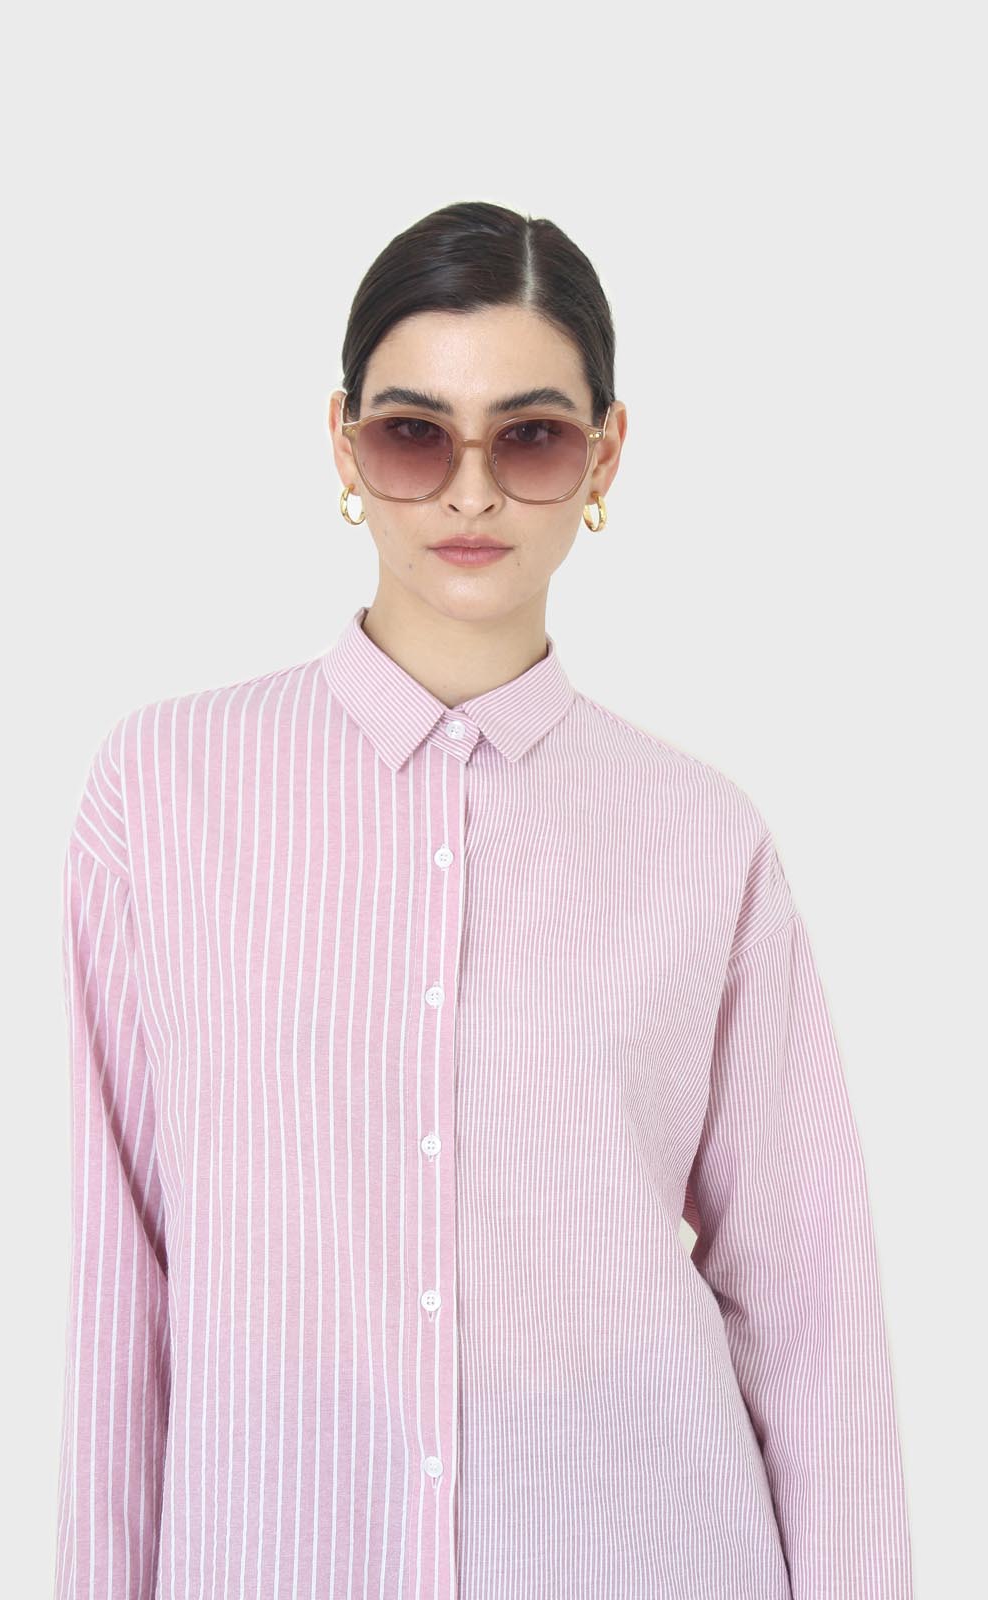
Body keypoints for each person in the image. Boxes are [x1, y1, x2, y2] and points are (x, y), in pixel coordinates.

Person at [53, 200, 914, 1599]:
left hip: (638, 1554)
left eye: (530, 438)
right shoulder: (161, 789)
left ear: (604, 455)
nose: (471, 494)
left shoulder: (702, 837)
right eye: (414, 435)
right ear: (344, 446)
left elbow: (811, 1314)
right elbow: (121, 1281)